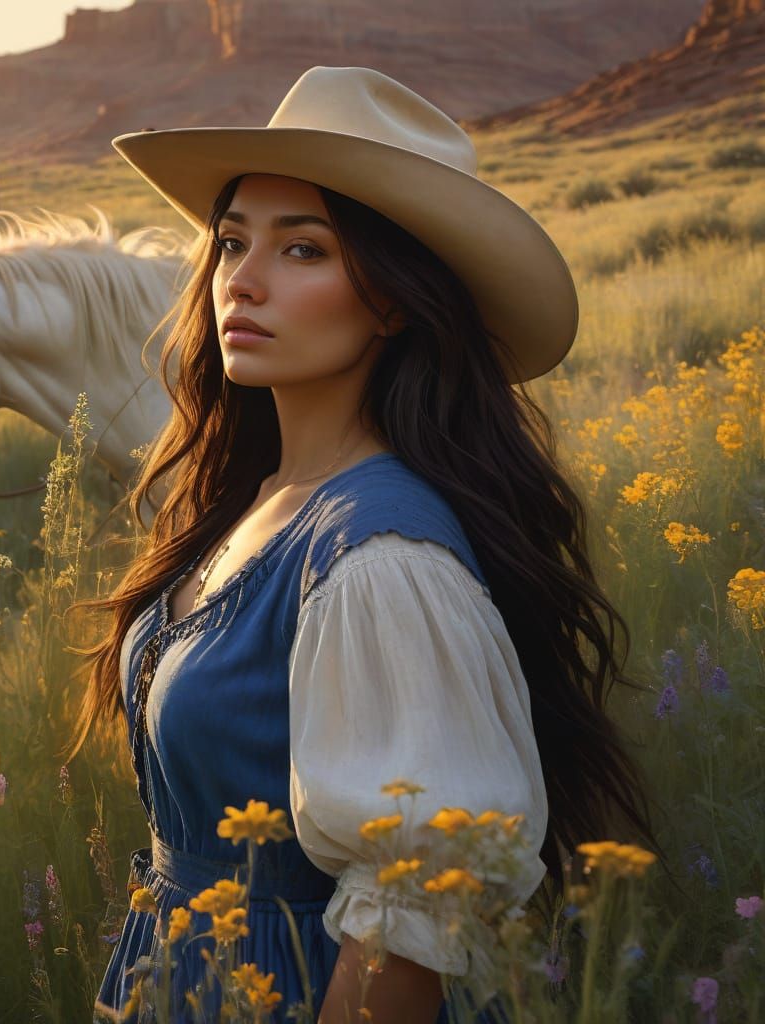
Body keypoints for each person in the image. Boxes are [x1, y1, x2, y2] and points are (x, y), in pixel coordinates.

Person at [68, 65, 665, 1023]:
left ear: (393, 300)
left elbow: (413, 925)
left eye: (303, 250)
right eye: (230, 243)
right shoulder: (254, 500)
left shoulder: (381, 562)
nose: (243, 281)